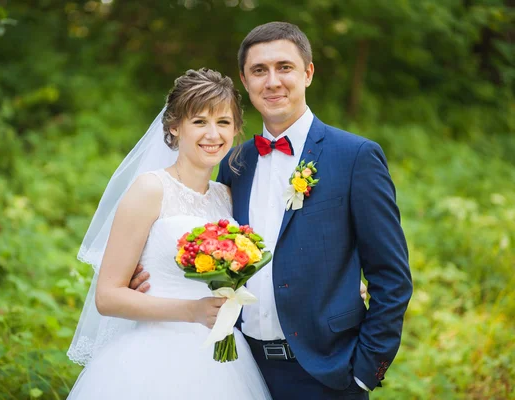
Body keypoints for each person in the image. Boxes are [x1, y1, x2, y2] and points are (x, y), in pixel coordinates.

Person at [132, 22, 413, 399]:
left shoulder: (355, 157)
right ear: (245, 82)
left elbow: (391, 277)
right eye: (259, 71)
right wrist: (152, 275)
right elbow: (217, 249)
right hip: (240, 366)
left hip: (328, 373)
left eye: (284, 67)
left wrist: (365, 371)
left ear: (308, 73)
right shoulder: (234, 164)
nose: (273, 81)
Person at [66, 68, 272, 399]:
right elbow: (107, 296)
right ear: (175, 127)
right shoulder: (150, 189)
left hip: (223, 362)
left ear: (235, 131)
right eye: (199, 121)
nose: (213, 133)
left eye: (223, 122)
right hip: (154, 359)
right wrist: (191, 311)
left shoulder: (227, 197)